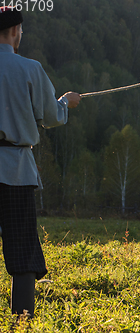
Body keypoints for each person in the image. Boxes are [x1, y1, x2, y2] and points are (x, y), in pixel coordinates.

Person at [0, 6, 81, 317]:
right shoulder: (30, 69)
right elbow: (51, 116)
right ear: (16, 31)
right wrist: (66, 102)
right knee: (21, 247)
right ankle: (22, 319)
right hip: (15, 171)